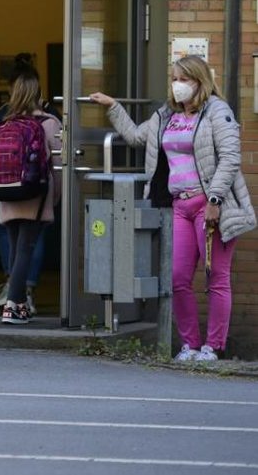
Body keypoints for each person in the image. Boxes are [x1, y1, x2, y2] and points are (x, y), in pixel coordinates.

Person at [90, 55, 256, 361]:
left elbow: (231, 158)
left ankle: (214, 346)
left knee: (216, 277)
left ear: (199, 81)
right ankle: (190, 345)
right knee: (178, 277)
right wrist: (113, 107)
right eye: (174, 79)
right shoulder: (167, 114)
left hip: (210, 205)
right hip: (179, 206)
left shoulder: (217, 112)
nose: (177, 85)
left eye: (184, 79)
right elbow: (137, 137)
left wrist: (215, 200)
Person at [0, 53, 61, 314]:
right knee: (27, 247)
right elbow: (59, 166)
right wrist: (54, 198)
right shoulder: (49, 121)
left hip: (6, 193)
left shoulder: (3, 119)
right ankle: (15, 303)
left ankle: (16, 299)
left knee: (14, 247)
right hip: (36, 194)